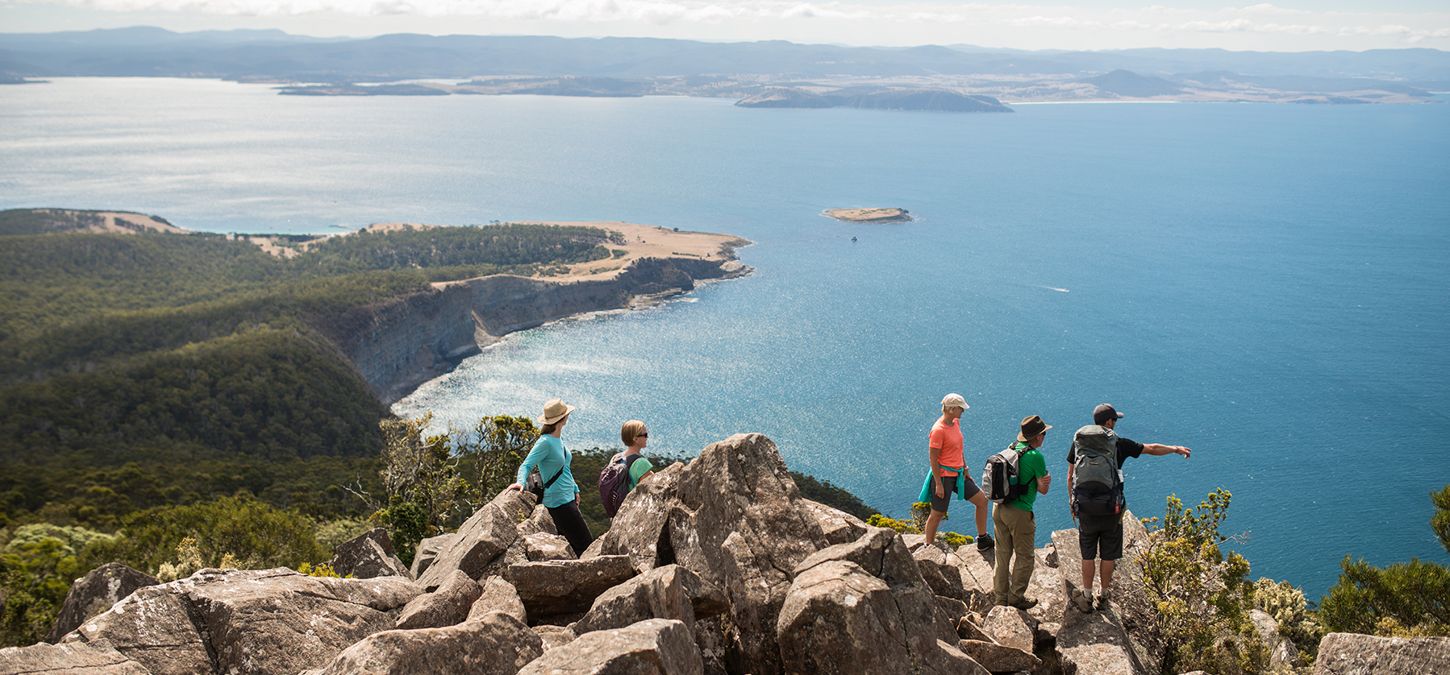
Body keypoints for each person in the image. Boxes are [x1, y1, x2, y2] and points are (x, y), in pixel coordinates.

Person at [1067, 403, 1191, 612]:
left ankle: (1086, 596)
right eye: (1114, 420)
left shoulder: (1080, 442)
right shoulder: (1118, 444)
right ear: (1108, 422)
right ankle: (1103, 595)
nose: (1115, 423)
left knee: (1087, 554)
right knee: (1108, 555)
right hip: (1110, 509)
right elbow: (1151, 448)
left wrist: (1072, 501)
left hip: (1086, 507)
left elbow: (1070, 476)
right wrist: (1174, 449)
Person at [508, 398, 593, 556]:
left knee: (576, 546)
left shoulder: (558, 438)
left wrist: (576, 489)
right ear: (563, 418)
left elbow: (565, 467)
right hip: (558, 503)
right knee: (586, 546)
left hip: (568, 499)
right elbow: (526, 465)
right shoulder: (545, 442)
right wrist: (520, 482)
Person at [918, 393, 993, 550]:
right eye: (961, 408)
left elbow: (959, 448)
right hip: (944, 477)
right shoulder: (938, 430)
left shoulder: (955, 422)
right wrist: (938, 483)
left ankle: (982, 538)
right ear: (951, 409)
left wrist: (965, 467)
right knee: (937, 513)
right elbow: (933, 459)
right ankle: (928, 546)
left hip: (959, 474)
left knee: (982, 501)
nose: (963, 412)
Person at [992, 415, 1052, 609]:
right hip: (1019, 513)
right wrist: (1044, 480)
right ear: (1037, 437)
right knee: (1025, 557)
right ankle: (1016, 598)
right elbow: (1043, 489)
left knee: (1002, 555)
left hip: (999, 508)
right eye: (1043, 434)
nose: (1044, 437)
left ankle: (1000, 599)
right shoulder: (1036, 457)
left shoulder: (1011, 448)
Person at [619, 419, 654, 491]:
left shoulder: (616, 458)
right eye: (645, 435)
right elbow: (650, 491)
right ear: (635, 439)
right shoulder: (641, 463)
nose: (647, 438)